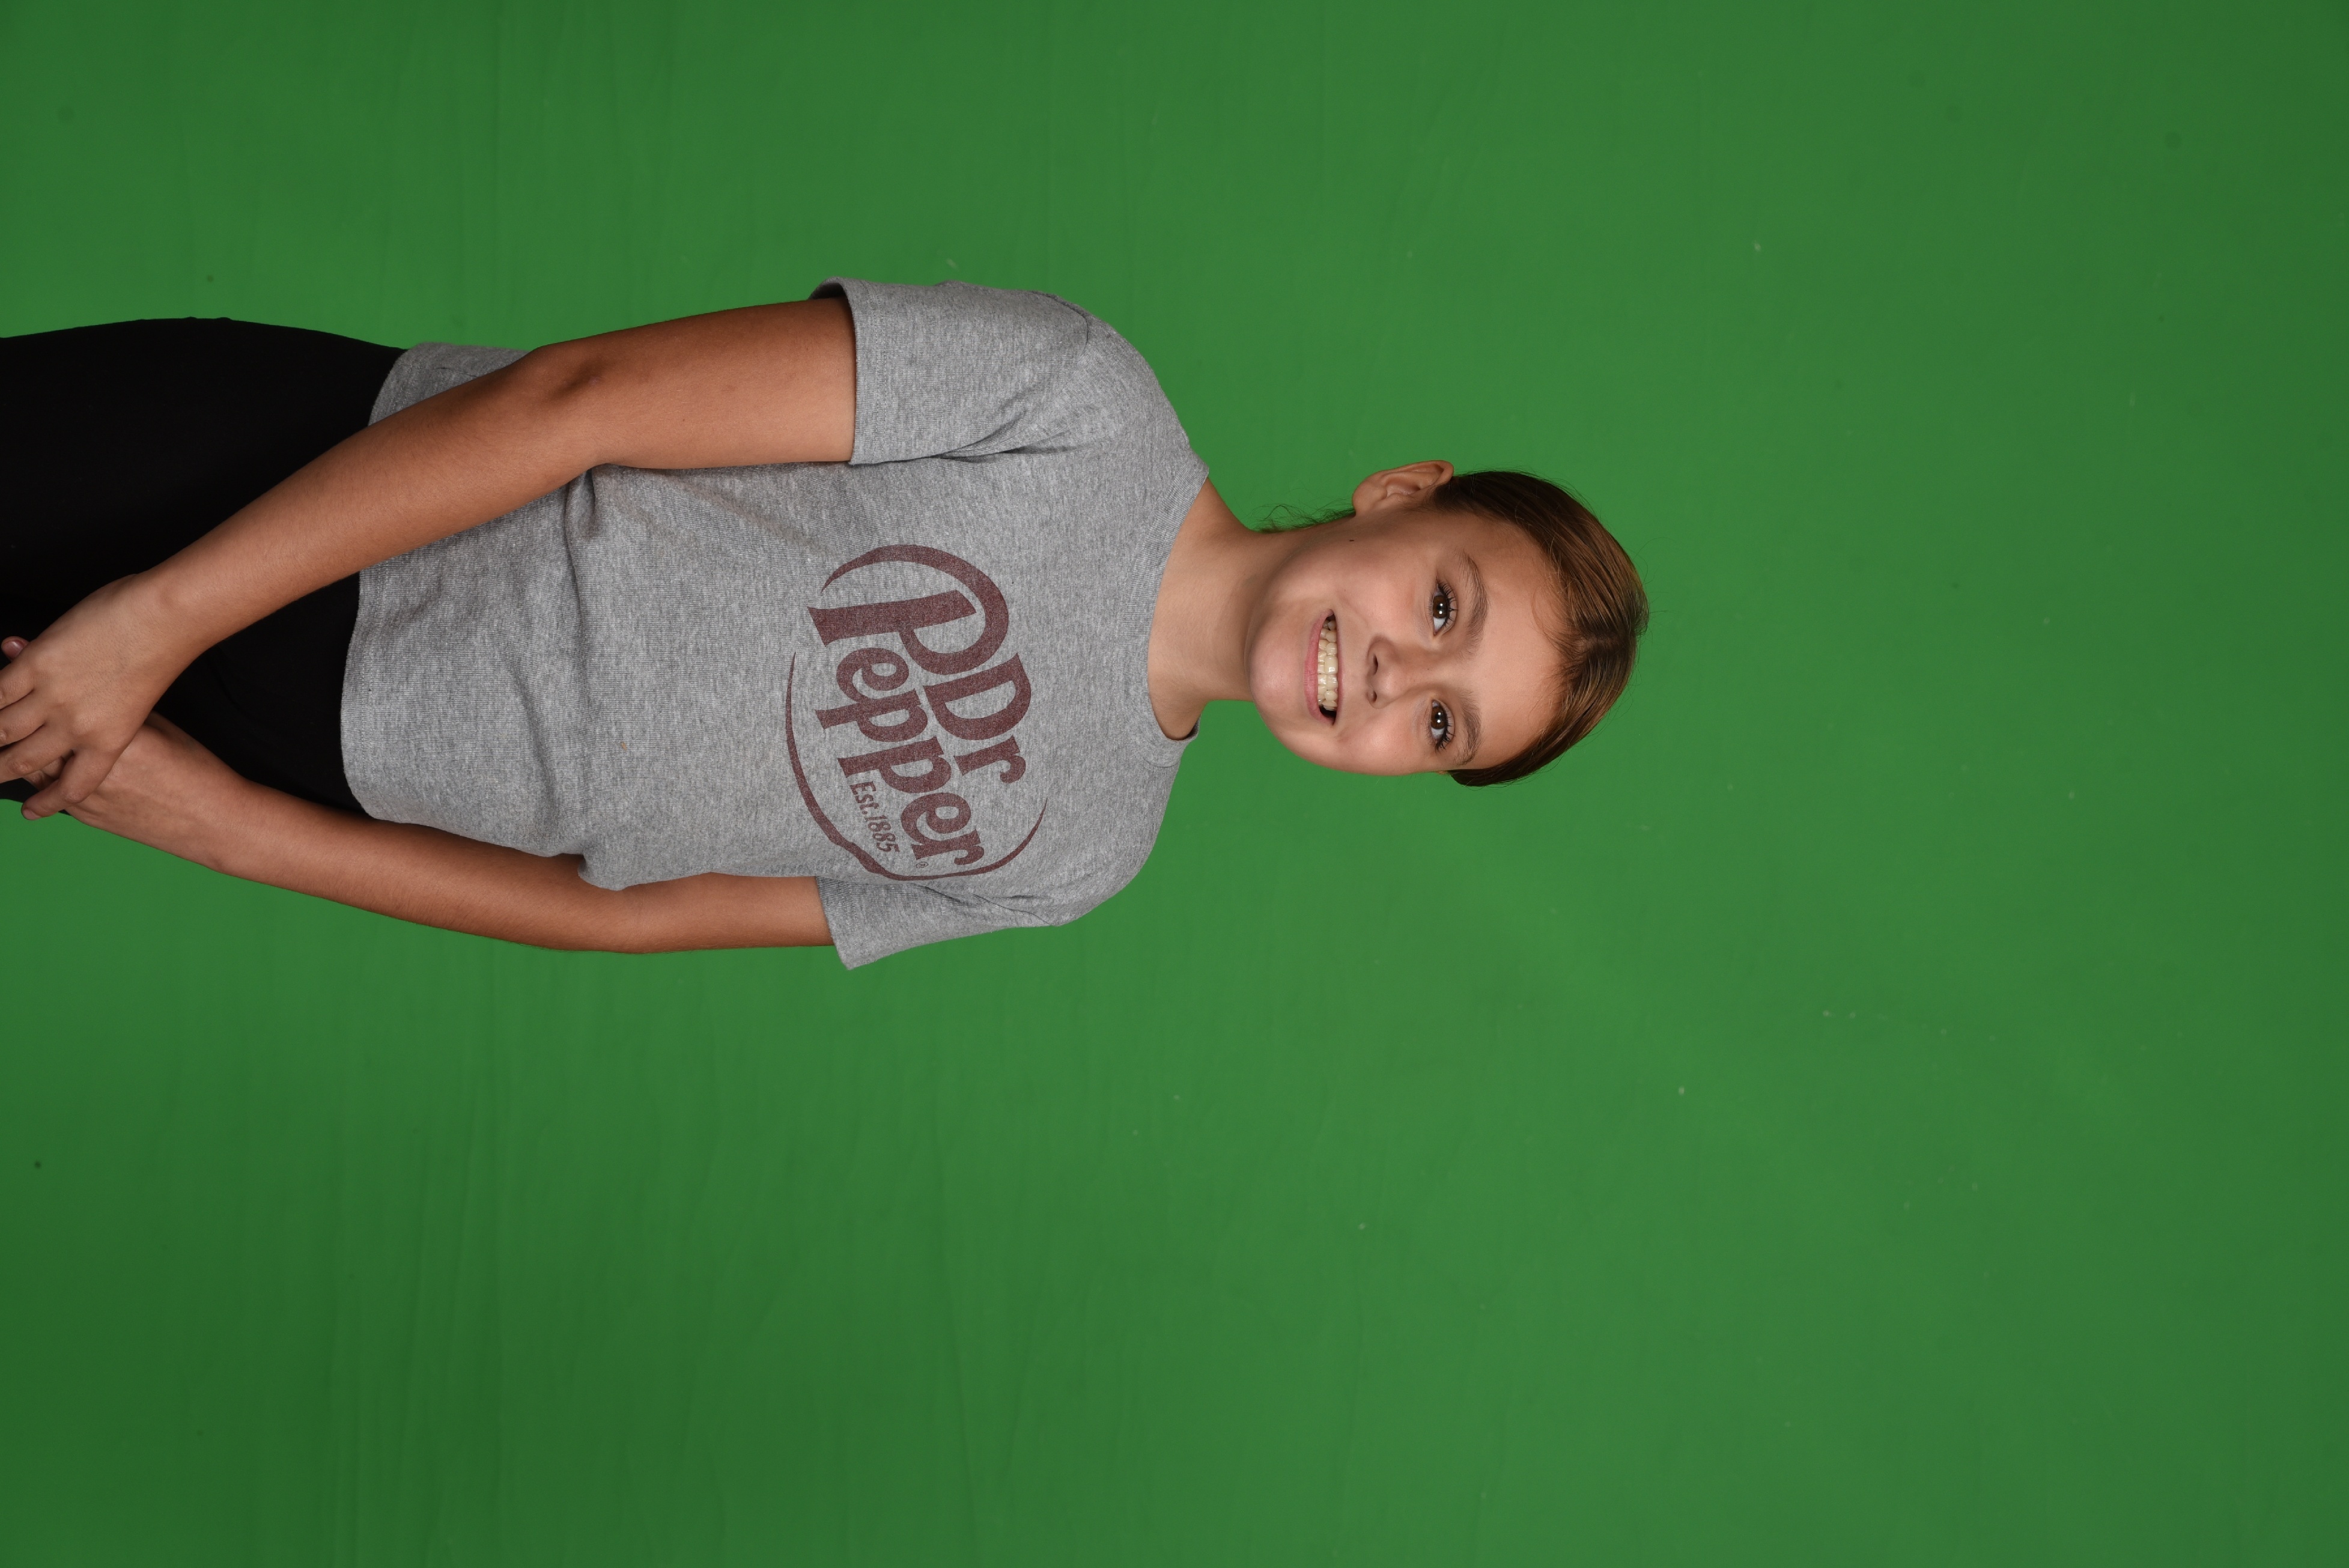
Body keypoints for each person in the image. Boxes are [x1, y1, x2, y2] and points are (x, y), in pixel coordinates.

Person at [0, 281, 1647, 966]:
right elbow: (581, 400)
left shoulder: (1085, 856)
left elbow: (631, 919)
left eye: (1445, 724)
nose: (1398, 675)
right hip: (295, 483)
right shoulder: (1081, 402)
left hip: (317, 761)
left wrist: (229, 828)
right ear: (1399, 493)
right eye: (1445, 602)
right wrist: (161, 615)